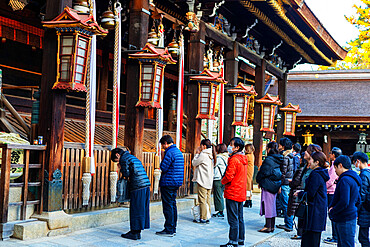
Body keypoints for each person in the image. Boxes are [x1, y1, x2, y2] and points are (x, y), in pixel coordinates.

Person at [111, 147, 151, 240]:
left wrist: (120, 168)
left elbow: (126, 174)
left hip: (138, 186)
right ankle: (137, 231)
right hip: (145, 184)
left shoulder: (124, 159)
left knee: (135, 209)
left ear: (117, 155)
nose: (118, 162)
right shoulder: (131, 156)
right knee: (141, 209)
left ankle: (134, 232)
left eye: (116, 160)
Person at [294, 151, 330, 247]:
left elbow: (310, 194)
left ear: (317, 162)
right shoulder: (321, 173)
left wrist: (300, 193)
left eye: (311, 160)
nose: (309, 162)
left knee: (309, 241)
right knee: (314, 240)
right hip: (318, 210)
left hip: (313, 211)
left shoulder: (316, 174)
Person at [220, 137, 248, 247]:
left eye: (231, 144)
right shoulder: (243, 159)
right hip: (240, 191)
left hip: (233, 191)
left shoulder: (234, 159)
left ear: (236, 147)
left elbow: (229, 176)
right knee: (239, 217)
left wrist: (222, 181)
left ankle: (233, 241)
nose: (229, 147)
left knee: (233, 218)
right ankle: (240, 238)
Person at [329, 155, 361, 247]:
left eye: (335, 168)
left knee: (344, 244)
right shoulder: (354, 178)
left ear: (340, 165)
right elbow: (358, 199)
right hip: (351, 215)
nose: (335, 171)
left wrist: (333, 210)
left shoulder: (344, 180)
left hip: (344, 217)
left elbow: (344, 201)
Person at [156, 135, 184, 237]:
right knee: (173, 204)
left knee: (168, 205)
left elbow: (164, 167)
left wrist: (162, 158)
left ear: (166, 143)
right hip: (176, 182)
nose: (163, 147)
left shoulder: (169, 152)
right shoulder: (178, 151)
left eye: (163, 145)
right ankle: (173, 227)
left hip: (168, 181)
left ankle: (169, 229)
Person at [256, 141, 283, 233]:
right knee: (272, 205)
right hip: (275, 183)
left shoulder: (269, 160)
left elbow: (263, 172)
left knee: (268, 205)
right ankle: (271, 226)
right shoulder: (279, 158)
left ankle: (268, 226)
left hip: (268, 184)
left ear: (269, 149)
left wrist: (258, 179)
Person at [192, 139, 215, 224]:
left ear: (204, 146)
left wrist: (197, 154)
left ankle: (203, 217)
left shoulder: (203, 154)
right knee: (207, 199)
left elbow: (194, 163)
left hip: (202, 180)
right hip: (209, 180)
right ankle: (207, 216)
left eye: (201, 146)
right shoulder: (210, 154)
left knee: (202, 199)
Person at [324, 147, 342, 245]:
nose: (329, 155)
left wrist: (323, 187)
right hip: (332, 191)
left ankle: (335, 237)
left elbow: (330, 180)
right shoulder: (333, 165)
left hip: (331, 192)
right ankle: (335, 236)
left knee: (332, 214)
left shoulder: (335, 166)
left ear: (334, 155)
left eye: (330, 153)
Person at [276, 137, 294, 232]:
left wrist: (279, 183)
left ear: (283, 146)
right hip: (288, 182)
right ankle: (288, 223)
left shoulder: (285, 157)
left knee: (285, 204)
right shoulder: (291, 156)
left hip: (284, 183)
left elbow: (283, 172)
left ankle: (289, 224)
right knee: (286, 203)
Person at [352, 151, 370, 247]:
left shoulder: (363, 175)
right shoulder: (369, 173)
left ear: (358, 161)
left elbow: (361, 195)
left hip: (365, 210)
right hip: (367, 208)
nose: (355, 165)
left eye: (354, 162)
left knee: (363, 237)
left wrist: (357, 210)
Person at [212, 143, 229, 218]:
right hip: (223, 178)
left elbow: (213, 165)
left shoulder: (218, 158)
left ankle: (220, 211)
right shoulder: (227, 157)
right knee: (220, 195)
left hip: (218, 178)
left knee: (218, 195)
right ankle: (220, 210)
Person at [244, 144, 255, 208]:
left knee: (247, 186)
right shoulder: (252, 155)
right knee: (249, 186)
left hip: (247, 172)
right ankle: (250, 199)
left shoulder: (247, 156)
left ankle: (247, 200)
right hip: (251, 171)